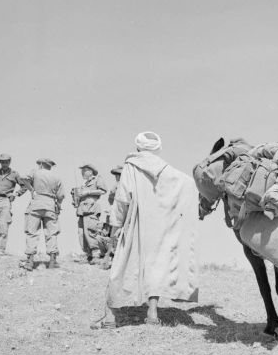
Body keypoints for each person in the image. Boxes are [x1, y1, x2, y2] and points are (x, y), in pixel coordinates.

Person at [91, 132, 199, 329]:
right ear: (157, 148)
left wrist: (114, 229)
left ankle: (110, 318)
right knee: (155, 268)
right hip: (158, 227)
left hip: (134, 223)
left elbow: (122, 199)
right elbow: (187, 183)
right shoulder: (166, 169)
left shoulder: (131, 166)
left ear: (138, 147)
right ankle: (152, 314)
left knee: (120, 267)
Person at [18, 158, 65, 271]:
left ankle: (29, 261)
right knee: (51, 233)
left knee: (32, 232)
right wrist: (58, 205)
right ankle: (52, 261)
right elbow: (61, 196)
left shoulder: (35, 172)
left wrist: (32, 190)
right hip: (50, 205)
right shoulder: (56, 177)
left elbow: (23, 178)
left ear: (41, 165)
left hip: (36, 204)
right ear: (50, 166)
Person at [0, 153, 27, 256]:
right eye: (2, 162)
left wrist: (16, 194)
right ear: (0, 162)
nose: (4, 164)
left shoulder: (14, 174)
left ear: (9, 162)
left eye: (6, 162)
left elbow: (24, 186)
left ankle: (0, 250)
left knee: (3, 226)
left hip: (5, 201)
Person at [74, 163, 107, 264]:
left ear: (91, 171)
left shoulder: (97, 179)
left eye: (84, 171)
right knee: (82, 233)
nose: (82, 173)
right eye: (82, 171)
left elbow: (103, 191)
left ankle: (96, 254)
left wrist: (88, 192)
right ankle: (88, 255)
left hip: (91, 209)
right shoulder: (84, 184)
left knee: (91, 231)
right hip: (82, 210)